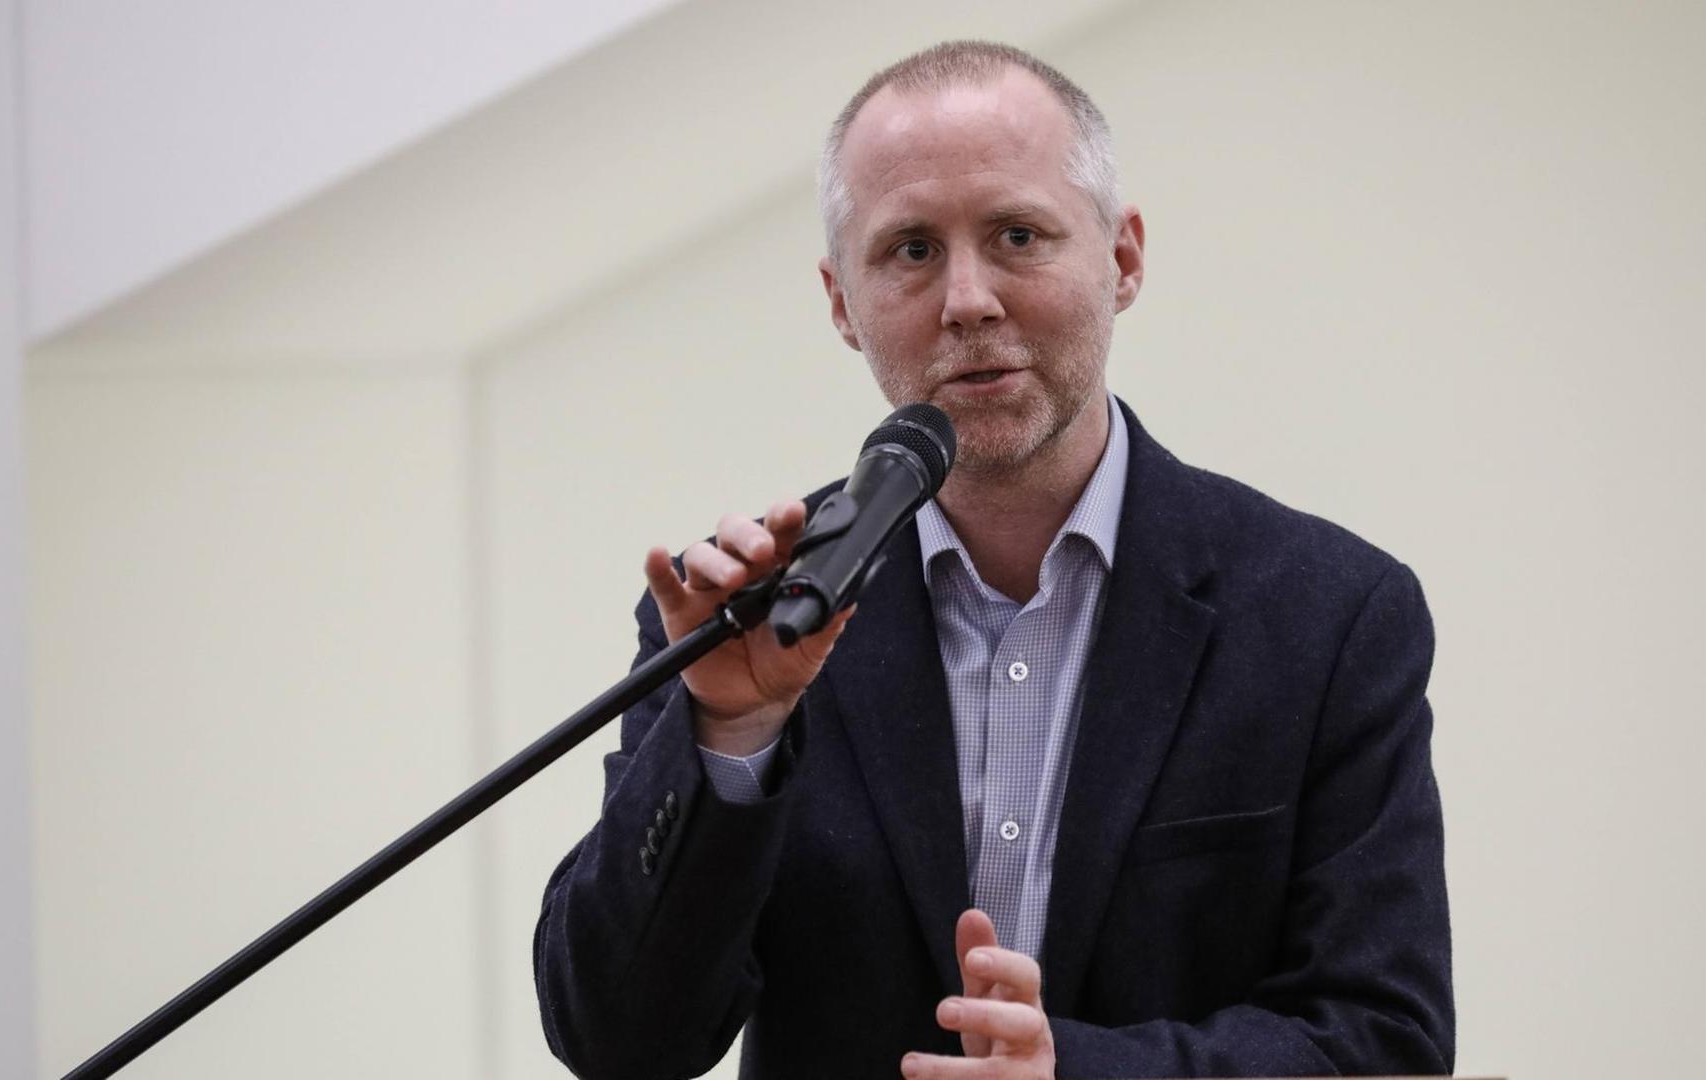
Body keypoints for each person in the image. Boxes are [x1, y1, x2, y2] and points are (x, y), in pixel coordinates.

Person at [535, 41, 1453, 1080]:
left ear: (1124, 259)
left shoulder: (1328, 616)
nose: (967, 300)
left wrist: (1078, 1074)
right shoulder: (751, 612)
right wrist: (733, 735)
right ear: (841, 302)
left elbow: (1385, 1044)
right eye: (912, 250)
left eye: (1018, 235)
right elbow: (619, 1043)